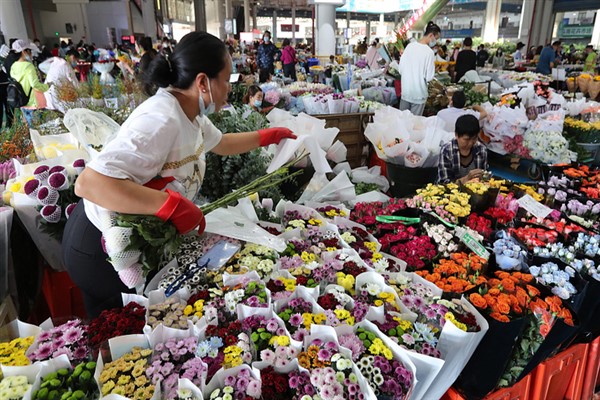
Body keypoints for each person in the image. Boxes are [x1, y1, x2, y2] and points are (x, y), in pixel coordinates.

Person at [62, 32, 296, 318]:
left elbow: (221, 143)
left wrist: (266, 136)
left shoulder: (190, 113)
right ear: (202, 82)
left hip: (130, 240)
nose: (228, 89)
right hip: (101, 248)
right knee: (121, 338)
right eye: (226, 79)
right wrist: (170, 205)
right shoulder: (160, 119)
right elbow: (90, 183)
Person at [398, 22, 440, 116]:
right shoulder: (429, 52)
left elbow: (400, 70)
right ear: (431, 35)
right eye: (436, 38)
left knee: (402, 123)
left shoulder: (409, 46)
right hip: (418, 95)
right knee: (414, 126)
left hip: (406, 92)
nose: (435, 41)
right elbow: (429, 77)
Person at [438, 114, 488, 184]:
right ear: (456, 135)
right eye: (466, 139)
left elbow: (484, 176)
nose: (470, 143)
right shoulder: (447, 150)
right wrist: (466, 178)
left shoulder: (481, 150)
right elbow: (444, 183)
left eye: (474, 139)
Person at [9, 39, 49, 126]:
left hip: (23, 102)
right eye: (29, 51)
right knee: (40, 130)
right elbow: (35, 84)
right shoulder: (28, 66)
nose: (31, 54)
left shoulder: (13, 66)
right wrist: (47, 86)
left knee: (32, 130)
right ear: (24, 52)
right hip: (34, 103)